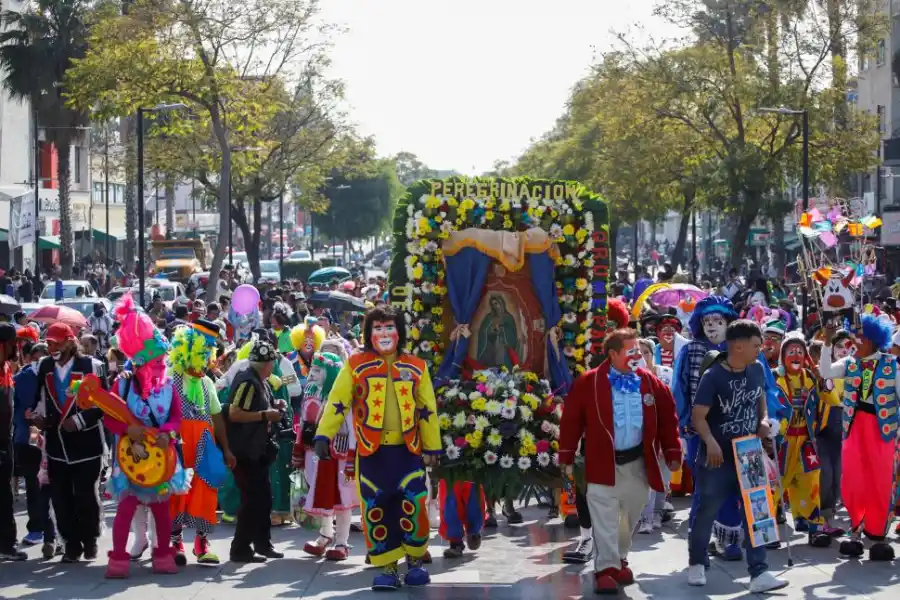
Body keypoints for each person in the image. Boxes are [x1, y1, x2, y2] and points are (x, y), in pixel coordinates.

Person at [315, 305, 441, 590]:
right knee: (376, 508)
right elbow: (338, 400)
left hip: (408, 453)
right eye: (377, 328)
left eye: (389, 327)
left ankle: (415, 562)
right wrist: (324, 434)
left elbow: (427, 407)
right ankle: (387, 568)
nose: (383, 333)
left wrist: (433, 446)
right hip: (372, 454)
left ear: (400, 332)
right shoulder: (355, 365)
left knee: (414, 505)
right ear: (369, 333)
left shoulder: (416, 366)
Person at [559, 328, 681, 594]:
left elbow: (668, 417)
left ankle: (619, 558)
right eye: (631, 351)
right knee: (604, 517)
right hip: (602, 463)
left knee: (632, 513)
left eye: (638, 350)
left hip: (638, 462)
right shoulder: (588, 382)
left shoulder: (650, 382)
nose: (637, 355)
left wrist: (672, 451)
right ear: (613, 354)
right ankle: (605, 568)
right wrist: (566, 455)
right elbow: (570, 421)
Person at [687, 320, 788, 593]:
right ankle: (696, 562)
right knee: (707, 510)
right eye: (756, 345)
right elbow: (698, 416)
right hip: (717, 456)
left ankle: (760, 571)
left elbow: (761, 402)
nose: (761, 349)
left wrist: (764, 421)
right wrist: (710, 442)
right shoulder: (713, 377)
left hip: (749, 450)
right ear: (738, 346)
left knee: (757, 512)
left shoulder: (756, 369)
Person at [104, 293, 188, 578]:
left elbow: (176, 417)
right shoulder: (123, 385)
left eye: (162, 361)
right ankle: (118, 558)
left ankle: (162, 554)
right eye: (156, 362)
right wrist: (128, 429)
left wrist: (167, 432)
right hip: (130, 460)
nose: (161, 366)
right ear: (141, 363)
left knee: (162, 510)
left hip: (161, 459)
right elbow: (109, 417)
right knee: (126, 508)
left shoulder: (169, 387)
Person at [819, 315, 899, 560]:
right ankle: (856, 529)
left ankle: (877, 534)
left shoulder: (892, 364)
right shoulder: (849, 363)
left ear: (873, 340)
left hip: (882, 430)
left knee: (880, 479)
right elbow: (825, 371)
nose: (855, 341)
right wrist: (826, 343)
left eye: (860, 337)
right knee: (853, 478)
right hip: (854, 427)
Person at [31, 322, 107, 563]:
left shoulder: (91, 366)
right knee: (61, 498)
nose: (52, 346)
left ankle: (90, 539)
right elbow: (39, 400)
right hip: (57, 444)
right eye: (49, 342)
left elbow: (103, 404)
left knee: (86, 496)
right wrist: (38, 418)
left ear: (70, 342)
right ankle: (71, 544)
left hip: (87, 444)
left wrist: (79, 420)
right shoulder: (44, 367)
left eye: (56, 342)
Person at [168, 319, 235, 566]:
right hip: (177, 441)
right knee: (176, 490)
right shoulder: (171, 377)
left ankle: (201, 542)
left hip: (204, 443)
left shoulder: (207, 382)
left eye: (209, 351)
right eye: (202, 350)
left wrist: (226, 449)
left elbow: (216, 416)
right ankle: (174, 540)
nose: (207, 355)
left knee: (206, 490)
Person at [292, 351, 358, 560]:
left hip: (338, 454)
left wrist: (351, 456)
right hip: (315, 454)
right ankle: (325, 535)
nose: (312, 374)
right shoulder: (311, 392)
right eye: (312, 369)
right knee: (321, 493)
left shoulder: (342, 395)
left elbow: (351, 427)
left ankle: (342, 542)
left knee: (342, 496)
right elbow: (303, 423)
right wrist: (299, 449)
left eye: (318, 370)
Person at [773, 332, 837, 547]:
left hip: (806, 440)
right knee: (776, 483)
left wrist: (822, 379)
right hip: (782, 442)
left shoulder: (810, 377)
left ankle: (813, 526)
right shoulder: (774, 377)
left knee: (810, 480)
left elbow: (832, 398)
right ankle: (767, 530)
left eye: (800, 352)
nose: (796, 355)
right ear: (783, 355)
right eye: (791, 351)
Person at [225, 339, 285, 563]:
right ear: (266, 363)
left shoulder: (261, 381)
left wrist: (274, 405)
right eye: (272, 362)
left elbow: (258, 405)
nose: (273, 366)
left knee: (263, 500)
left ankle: (262, 544)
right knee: (252, 501)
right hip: (245, 452)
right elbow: (234, 413)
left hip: (257, 451)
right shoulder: (248, 382)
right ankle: (240, 549)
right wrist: (264, 415)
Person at [12, 342, 56, 556]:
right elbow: (17, 405)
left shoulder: (57, 373)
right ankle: (38, 528)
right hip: (29, 438)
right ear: (30, 358)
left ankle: (53, 532)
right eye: (37, 358)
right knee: (34, 485)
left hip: (53, 438)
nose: (40, 362)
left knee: (52, 487)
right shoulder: (23, 377)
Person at [0, 323, 26, 561]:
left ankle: (7, 545)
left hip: (5, 440)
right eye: (13, 343)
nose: (17, 348)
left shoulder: (7, 368)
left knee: (5, 494)